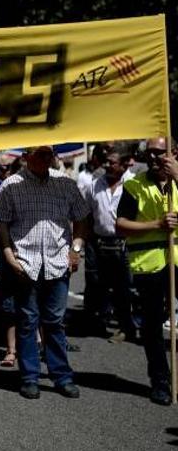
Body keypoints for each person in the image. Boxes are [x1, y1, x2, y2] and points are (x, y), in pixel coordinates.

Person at [0, 146, 89, 400]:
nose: (47, 159)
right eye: (40, 154)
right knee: (27, 322)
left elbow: (81, 217)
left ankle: (61, 376)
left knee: (54, 322)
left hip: (58, 263)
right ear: (26, 157)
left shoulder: (65, 183)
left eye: (49, 154)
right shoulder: (12, 185)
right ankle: (29, 377)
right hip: (25, 264)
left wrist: (75, 248)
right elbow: (0, 222)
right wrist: (9, 256)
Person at [115, 137, 177, 405]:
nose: (153, 157)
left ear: (173, 152)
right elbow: (121, 225)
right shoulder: (134, 185)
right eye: (149, 153)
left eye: (158, 152)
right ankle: (161, 382)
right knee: (152, 327)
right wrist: (156, 224)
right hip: (149, 263)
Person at [84, 145, 136, 342]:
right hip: (98, 243)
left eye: (112, 162)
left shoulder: (133, 184)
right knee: (97, 285)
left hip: (124, 243)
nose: (106, 165)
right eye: (106, 161)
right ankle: (98, 321)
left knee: (123, 288)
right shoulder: (94, 185)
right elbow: (87, 215)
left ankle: (126, 327)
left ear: (124, 164)